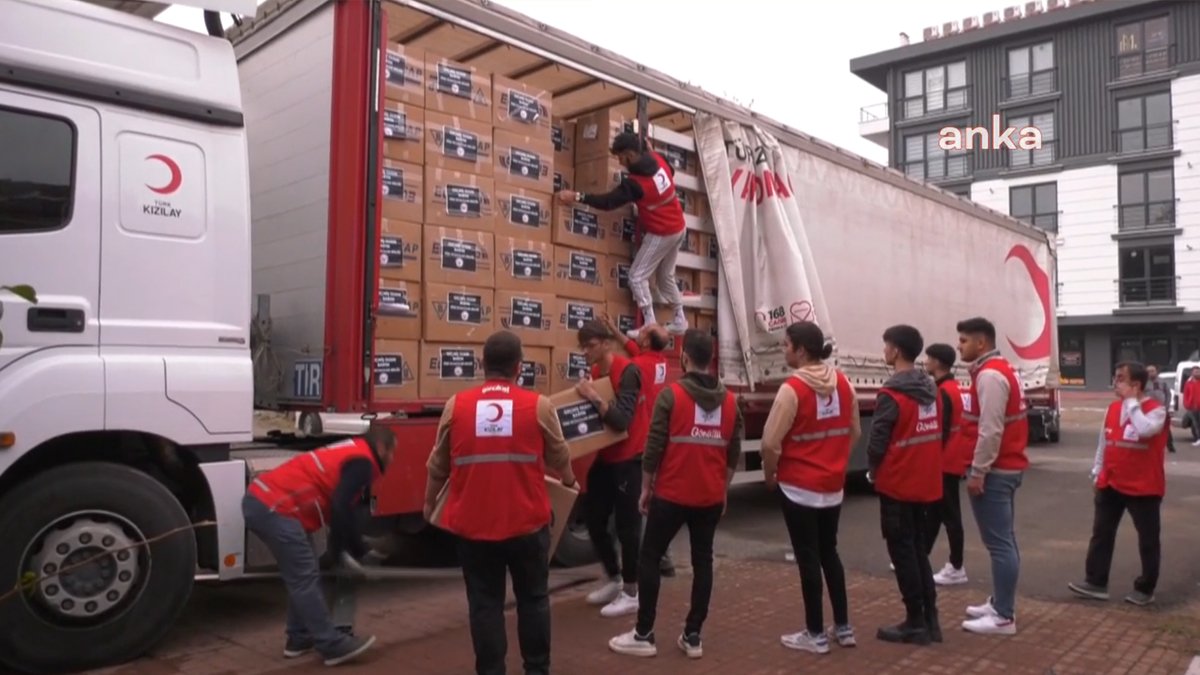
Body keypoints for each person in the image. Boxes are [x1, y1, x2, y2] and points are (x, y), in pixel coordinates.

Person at [422, 330, 578, 675]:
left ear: (482, 364)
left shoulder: (456, 406)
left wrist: (429, 504)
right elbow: (560, 456)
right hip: (527, 524)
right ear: (519, 367)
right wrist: (569, 483)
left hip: (474, 528)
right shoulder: (538, 405)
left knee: (484, 605)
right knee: (534, 600)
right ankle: (537, 669)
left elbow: (438, 466)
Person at [608, 329, 742, 659]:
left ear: (684, 358)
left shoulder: (672, 396)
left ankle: (644, 634)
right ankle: (693, 636)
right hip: (709, 496)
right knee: (703, 562)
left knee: (649, 557)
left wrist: (645, 487)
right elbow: (732, 452)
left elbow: (653, 447)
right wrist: (723, 491)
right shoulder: (730, 401)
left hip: (671, 493)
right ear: (711, 359)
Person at [243, 424, 397, 666]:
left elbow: (342, 510)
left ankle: (299, 638)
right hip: (275, 507)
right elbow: (340, 506)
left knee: (306, 572)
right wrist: (356, 552)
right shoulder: (363, 462)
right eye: (392, 452)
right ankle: (331, 645)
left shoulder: (352, 452)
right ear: (381, 447)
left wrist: (345, 550)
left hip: (268, 502)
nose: (393, 459)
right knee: (304, 577)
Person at [761, 321, 860, 654]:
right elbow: (853, 431)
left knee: (808, 558)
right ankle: (843, 627)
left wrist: (770, 474)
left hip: (798, 487)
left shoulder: (792, 389)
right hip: (832, 486)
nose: (783, 350)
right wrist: (836, 462)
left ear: (801, 350)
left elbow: (770, 442)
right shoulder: (844, 384)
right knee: (829, 553)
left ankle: (815, 634)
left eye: (786, 345)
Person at [556, 132, 688, 338]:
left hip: (662, 232)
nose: (619, 162)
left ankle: (650, 325)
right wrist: (651, 150)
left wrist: (577, 196)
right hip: (679, 226)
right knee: (665, 277)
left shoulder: (636, 183)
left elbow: (608, 202)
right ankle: (680, 319)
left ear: (629, 154)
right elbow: (670, 171)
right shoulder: (658, 158)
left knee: (636, 276)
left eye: (620, 157)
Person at [866, 324, 943, 645]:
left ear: (896, 351)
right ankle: (930, 620)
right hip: (924, 483)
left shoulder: (892, 393)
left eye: (886, 346)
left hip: (897, 483)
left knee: (903, 553)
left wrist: (873, 469)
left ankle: (915, 621)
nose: (884, 351)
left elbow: (877, 441)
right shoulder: (931, 389)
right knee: (917, 551)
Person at [1068, 361, 1167, 607]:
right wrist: (1097, 472)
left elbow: (1144, 430)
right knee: (1101, 533)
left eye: (1121, 378)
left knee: (1148, 539)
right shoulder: (1112, 409)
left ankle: (1146, 587)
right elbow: (1105, 442)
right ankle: (1096, 581)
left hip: (1143, 487)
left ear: (1136, 384)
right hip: (1111, 482)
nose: (1115, 382)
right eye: (1115, 377)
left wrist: (1132, 402)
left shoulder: (1156, 410)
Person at [956, 316, 1028, 636]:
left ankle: (1003, 615)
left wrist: (979, 471)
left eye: (964, 341)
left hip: (996, 471)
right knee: (1003, 540)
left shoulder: (990, 376)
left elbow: (990, 430)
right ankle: (1000, 602)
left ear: (981, 343)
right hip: (1004, 468)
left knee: (999, 544)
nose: (959, 346)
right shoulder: (999, 371)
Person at [575, 319, 649, 617]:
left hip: (630, 459)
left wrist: (592, 397)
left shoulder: (628, 371)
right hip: (606, 458)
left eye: (590, 346)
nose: (585, 352)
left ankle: (632, 591)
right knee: (593, 518)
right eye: (582, 347)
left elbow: (622, 420)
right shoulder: (595, 373)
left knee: (627, 527)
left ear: (606, 343)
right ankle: (614, 576)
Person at [602, 313, 678, 577]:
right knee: (654, 499)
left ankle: (651, 558)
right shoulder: (659, 362)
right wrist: (614, 328)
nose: (640, 331)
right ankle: (665, 558)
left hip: (640, 440)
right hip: (655, 437)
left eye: (644, 330)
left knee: (640, 506)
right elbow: (633, 347)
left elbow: (628, 359)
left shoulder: (634, 367)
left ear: (646, 342)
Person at [923, 343, 973, 586]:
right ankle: (921, 555)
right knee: (935, 512)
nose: (926, 362)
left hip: (945, 461)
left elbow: (939, 431)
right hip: (951, 459)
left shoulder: (942, 391)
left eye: (929, 358)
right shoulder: (953, 388)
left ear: (938, 362)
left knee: (950, 515)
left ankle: (956, 565)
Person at [1144, 365, 1175, 454]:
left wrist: (1166, 406)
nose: (1151, 373)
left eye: (1152, 371)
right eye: (1149, 371)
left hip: (1161, 408)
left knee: (1165, 428)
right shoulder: (1144, 383)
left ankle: (1170, 445)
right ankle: (1151, 445)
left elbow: (1168, 394)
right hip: (1149, 409)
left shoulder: (1162, 382)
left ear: (1156, 371)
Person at [1181, 367, 1200, 447]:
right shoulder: (1188, 383)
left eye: (1198, 372)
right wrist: (1187, 404)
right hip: (1193, 407)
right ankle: (1198, 438)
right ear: (1192, 373)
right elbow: (1186, 395)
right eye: (1196, 372)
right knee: (1196, 424)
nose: (1197, 373)